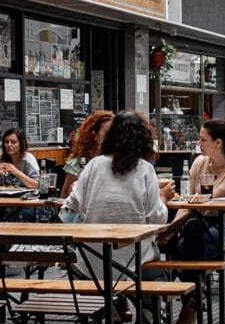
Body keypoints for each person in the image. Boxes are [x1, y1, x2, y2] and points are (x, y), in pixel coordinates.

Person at [60, 111, 174, 285]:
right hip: (134, 257)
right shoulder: (145, 169)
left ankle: (113, 308)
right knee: (156, 265)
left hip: (92, 259)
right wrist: (163, 199)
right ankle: (149, 309)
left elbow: (69, 209)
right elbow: (156, 219)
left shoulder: (94, 165)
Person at [164, 120, 225, 324]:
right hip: (196, 223)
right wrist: (171, 228)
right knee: (177, 237)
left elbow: (205, 206)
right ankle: (193, 293)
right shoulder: (198, 164)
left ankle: (191, 300)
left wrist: (172, 228)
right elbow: (189, 203)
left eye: (203, 139)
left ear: (218, 143)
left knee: (188, 237)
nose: (199, 143)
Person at [0, 128, 41, 222]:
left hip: (27, 201)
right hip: (6, 202)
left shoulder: (28, 159)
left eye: (13, 142)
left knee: (25, 214)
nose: (9, 145)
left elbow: (36, 185)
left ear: (21, 144)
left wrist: (17, 173)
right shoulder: (0, 160)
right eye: (6, 142)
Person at [61, 111, 113, 197]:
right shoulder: (78, 164)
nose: (112, 137)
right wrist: (72, 191)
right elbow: (64, 197)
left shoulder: (120, 161)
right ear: (94, 135)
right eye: (107, 133)